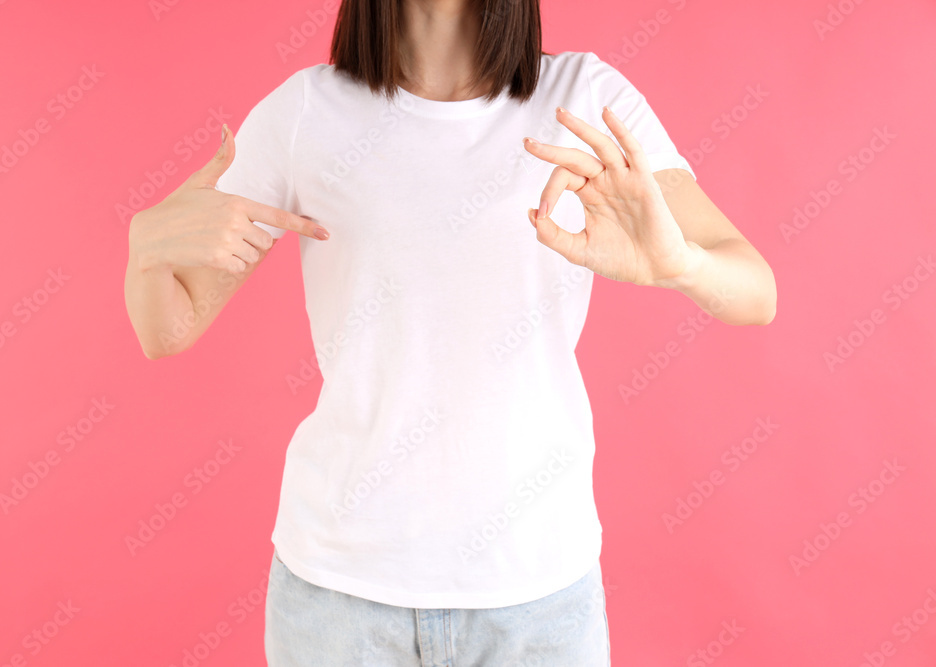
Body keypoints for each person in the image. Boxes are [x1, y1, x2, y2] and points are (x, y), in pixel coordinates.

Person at [124, 0, 777, 664]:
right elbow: (168, 326)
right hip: (339, 602)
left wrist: (679, 264)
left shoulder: (584, 99)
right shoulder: (305, 113)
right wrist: (143, 249)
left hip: (538, 597)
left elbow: (756, 291)